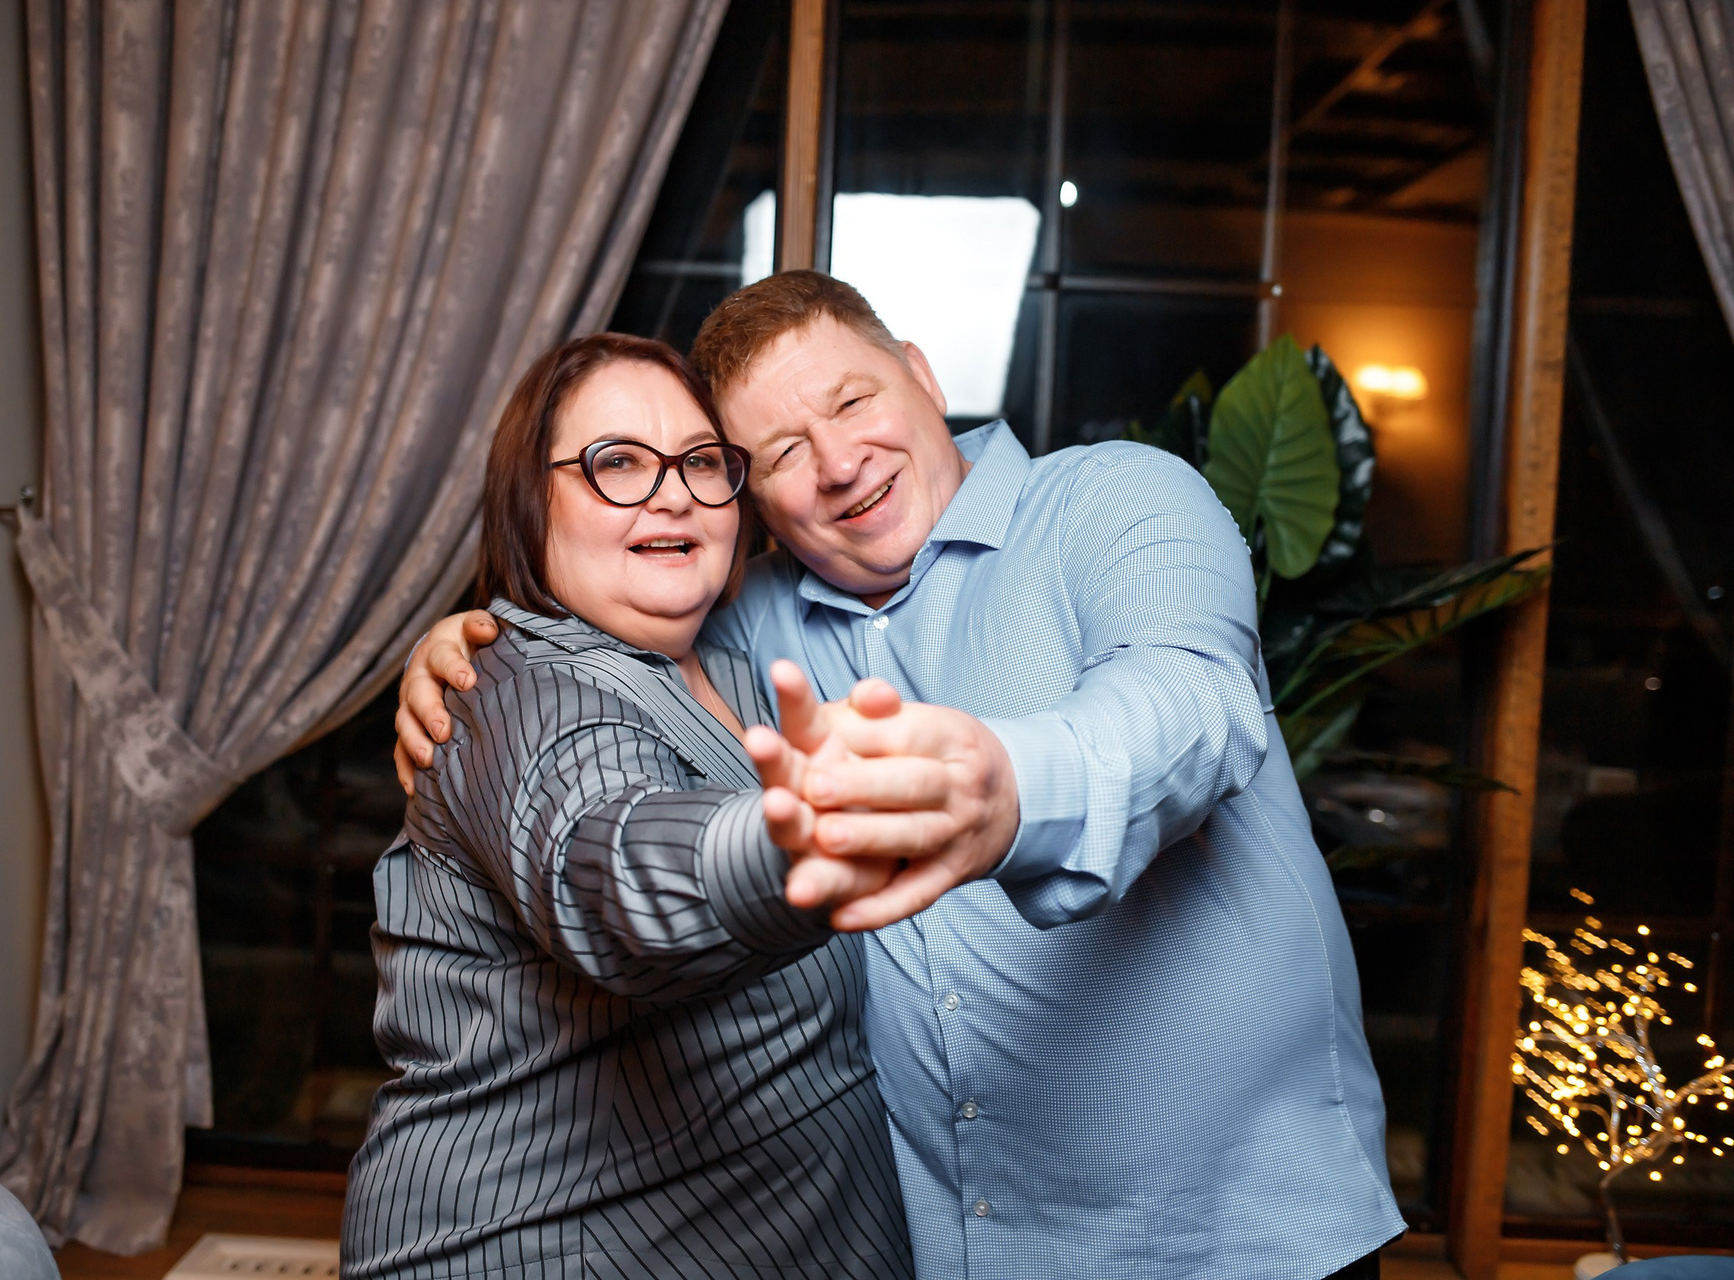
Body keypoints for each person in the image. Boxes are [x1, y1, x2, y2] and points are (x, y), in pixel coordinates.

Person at [397, 272, 1408, 1280]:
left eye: (852, 401)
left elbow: (1190, 701)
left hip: (1237, 1242)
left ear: (921, 376)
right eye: (783, 453)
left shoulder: (1113, 499)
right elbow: (594, 656)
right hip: (974, 1256)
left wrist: (1009, 788)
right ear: (755, 498)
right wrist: (477, 639)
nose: (840, 464)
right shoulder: (746, 622)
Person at [342, 333, 912, 1280]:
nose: (673, 493)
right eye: (617, 463)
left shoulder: (742, 669)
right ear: (532, 502)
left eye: (701, 462)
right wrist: (800, 843)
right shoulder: (510, 690)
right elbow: (606, 864)